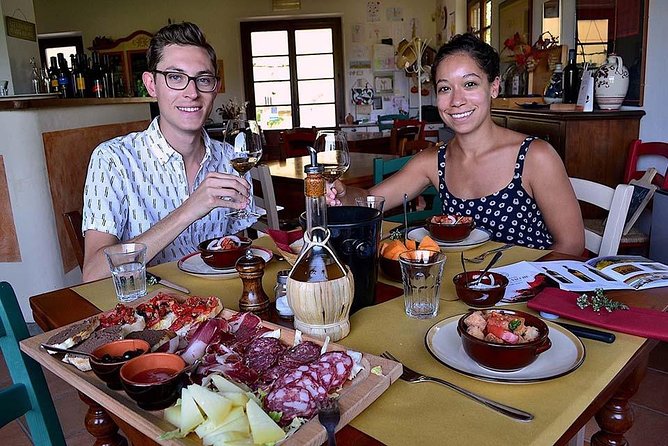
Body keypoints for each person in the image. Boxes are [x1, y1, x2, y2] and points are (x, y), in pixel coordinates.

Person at [328, 33, 584, 255]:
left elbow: (571, 244)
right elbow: (370, 200)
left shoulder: (534, 157)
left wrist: (514, 283)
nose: (456, 100)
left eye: (470, 84)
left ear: (493, 87)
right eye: (444, 88)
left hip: (526, 294)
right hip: (464, 290)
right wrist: (343, 194)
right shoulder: (433, 161)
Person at [82, 22, 256, 281]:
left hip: (221, 305)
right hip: (152, 311)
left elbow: (238, 248)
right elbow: (93, 274)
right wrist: (189, 210)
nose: (192, 93)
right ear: (151, 85)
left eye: (203, 79)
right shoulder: (113, 159)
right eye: (175, 78)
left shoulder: (231, 159)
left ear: (215, 88)